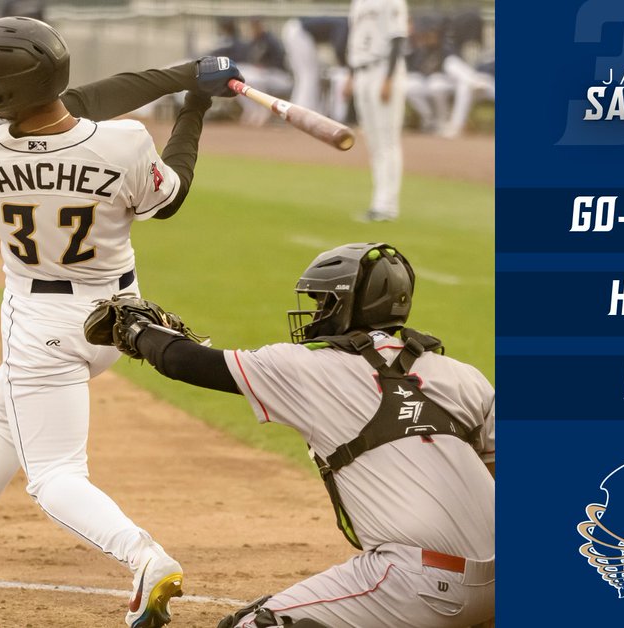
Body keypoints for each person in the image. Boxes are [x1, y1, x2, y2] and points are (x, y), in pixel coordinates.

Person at [0, 17, 242, 628]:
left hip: (41, 324)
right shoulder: (127, 143)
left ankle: (145, 558)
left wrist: (184, 79)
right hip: (118, 320)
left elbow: (85, 99)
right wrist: (193, 101)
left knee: (55, 475)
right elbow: (171, 192)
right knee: (1, 415)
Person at [87, 242, 495, 627]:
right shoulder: (463, 377)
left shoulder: (309, 370)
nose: (316, 313)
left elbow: (187, 361)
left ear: (349, 305)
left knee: (250, 623)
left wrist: (137, 329)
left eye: (323, 302)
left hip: (413, 582)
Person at [345, 0, 409, 222]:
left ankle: (387, 206)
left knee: (387, 140)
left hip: (383, 69)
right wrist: (350, 75)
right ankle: (377, 203)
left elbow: (398, 38)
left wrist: (389, 78)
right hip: (361, 70)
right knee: (373, 141)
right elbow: (356, 39)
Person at [281, 16, 350, 119]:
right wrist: (345, 65)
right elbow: (339, 48)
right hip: (299, 32)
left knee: (304, 76)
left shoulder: (341, 21)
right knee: (309, 75)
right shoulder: (345, 24)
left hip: (293, 30)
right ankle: (301, 113)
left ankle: (295, 111)